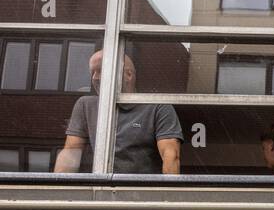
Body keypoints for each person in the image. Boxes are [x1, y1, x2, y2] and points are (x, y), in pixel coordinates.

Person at [54, 49, 182, 174]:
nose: (95, 77)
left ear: (128, 75)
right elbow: (71, 152)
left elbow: (170, 155)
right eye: (92, 72)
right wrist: (57, 191)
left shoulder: (158, 106)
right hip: (99, 188)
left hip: (141, 192)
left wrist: (169, 194)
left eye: (101, 71)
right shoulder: (85, 105)